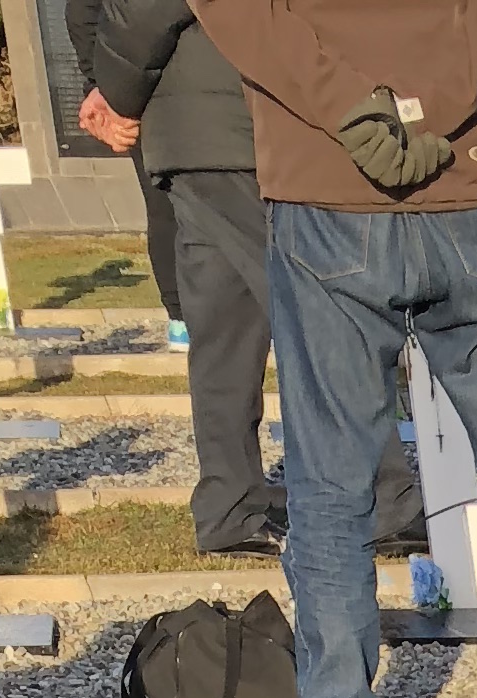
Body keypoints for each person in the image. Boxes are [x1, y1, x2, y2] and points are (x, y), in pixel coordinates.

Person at [192, 0, 477, 698]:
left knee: (330, 486)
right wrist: (430, 105)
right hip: (474, 171)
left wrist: (357, 112)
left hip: (326, 180)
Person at [67, 0, 284, 553]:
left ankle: (231, 506)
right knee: (316, 315)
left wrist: (111, 91)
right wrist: (112, 93)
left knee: (225, 332)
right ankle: (380, 495)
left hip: (201, 129)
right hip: (240, 123)